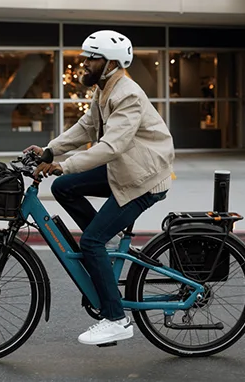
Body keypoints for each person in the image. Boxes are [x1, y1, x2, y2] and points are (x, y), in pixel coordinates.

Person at [26, 30, 175, 346]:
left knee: (90, 242)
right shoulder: (104, 89)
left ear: (111, 63)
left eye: (91, 58)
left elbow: (111, 145)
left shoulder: (128, 94)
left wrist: (64, 164)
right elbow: (87, 128)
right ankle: (104, 247)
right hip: (126, 167)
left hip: (143, 177)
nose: (85, 63)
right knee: (65, 188)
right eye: (86, 58)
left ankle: (117, 319)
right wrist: (51, 151)